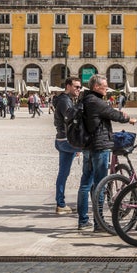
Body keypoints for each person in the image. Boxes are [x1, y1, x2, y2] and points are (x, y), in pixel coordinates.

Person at [77, 74, 136, 231]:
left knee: (85, 185)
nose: (107, 88)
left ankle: (83, 221)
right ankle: (99, 223)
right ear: (96, 87)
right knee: (100, 185)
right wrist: (128, 119)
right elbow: (114, 114)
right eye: (105, 86)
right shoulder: (96, 101)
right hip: (99, 146)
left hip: (87, 147)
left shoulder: (84, 99)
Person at [52, 76, 82, 214]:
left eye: (80, 87)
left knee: (63, 173)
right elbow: (72, 120)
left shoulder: (66, 100)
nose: (78, 89)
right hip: (66, 140)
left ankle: (61, 204)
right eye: (76, 87)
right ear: (68, 86)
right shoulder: (65, 101)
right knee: (94, 155)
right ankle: (92, 196)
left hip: (62, 140)